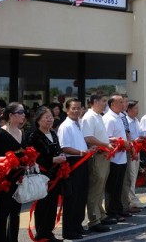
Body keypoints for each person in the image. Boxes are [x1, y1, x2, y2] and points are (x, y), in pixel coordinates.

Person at [0, 102, 27, 242]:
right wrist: (4, 162)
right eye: (20, 112)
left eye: (24, 112)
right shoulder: (0, 133)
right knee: (3, 214)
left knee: (16, 213)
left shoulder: (22, 132)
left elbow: (26, 153)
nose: (23, 115)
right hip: (4, 179)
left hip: (19, 178)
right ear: (11, 115)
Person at [27, 107, 67, 242]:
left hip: (56, 175)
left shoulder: (53, 133)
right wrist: (53, 160)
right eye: (46, 117)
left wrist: (60, 157)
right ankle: (42, 234)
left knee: (52, 204)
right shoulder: (34, 136)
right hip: (42, 176)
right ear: (38, 120)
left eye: (51, 117)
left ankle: (49, 232)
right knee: (42, 205)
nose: (50, 120)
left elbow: (58, 149)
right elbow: (34, 157)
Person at [82, 93, 116, 232]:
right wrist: (105, 144)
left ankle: (101, 215)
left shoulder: (98, 116)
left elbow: (99, 136)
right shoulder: (89, 117)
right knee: (95, 189)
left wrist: (109, 142)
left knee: (100, 188)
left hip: (104, 155)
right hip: (97, 156)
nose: (105, 104)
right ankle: (94, 220)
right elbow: (88, 137)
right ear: (94, 102)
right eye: (103, 101)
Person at [58, 98, 90, 239]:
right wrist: (80, 152)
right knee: (72, 197)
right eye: (74, 108)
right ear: (67, 110)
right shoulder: (66, 126)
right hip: (73, 163)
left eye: (79, 108)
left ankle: (78, 225)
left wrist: (88, 149)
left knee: (81, 196)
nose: (77, 111)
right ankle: (69, 230)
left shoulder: (79, 124)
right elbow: (64, 147)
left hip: (82, 161)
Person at [103, 94, 129, 221]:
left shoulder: (120, 117)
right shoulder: (109, 118)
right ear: (112, 105)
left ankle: (119, 209)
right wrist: (119, 142)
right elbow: (106, 138)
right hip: (113, 158)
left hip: (122, 156)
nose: (123, 104)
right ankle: (111, 212)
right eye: (120, 102)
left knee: (119, 185)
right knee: (112, 186)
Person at [121, 100, 146, 214]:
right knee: (130, 175)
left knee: (134, 174)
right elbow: (128, 137)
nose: (137, 110)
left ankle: (133, 198)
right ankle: (131, 200)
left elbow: (140, 133)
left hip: (138, 149)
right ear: (129, 110)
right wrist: (135, 141)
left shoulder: (136, 120)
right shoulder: (126, 121)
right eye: (135, 108)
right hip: (131, 150)